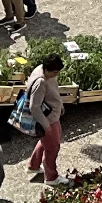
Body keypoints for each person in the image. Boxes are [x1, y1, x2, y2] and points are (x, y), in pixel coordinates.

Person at [23, 52, 66, 185]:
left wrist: (60, 104)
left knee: (45, 142)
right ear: (47, 70)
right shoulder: (40, 82)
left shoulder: (41, 69)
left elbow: (53, 91)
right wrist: (46, 125)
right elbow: (34, 107)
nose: (56, 75)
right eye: (55, 72)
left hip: (52, 115)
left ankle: (33, 165)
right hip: (48, 119)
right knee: (52, 147)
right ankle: (51, 177)